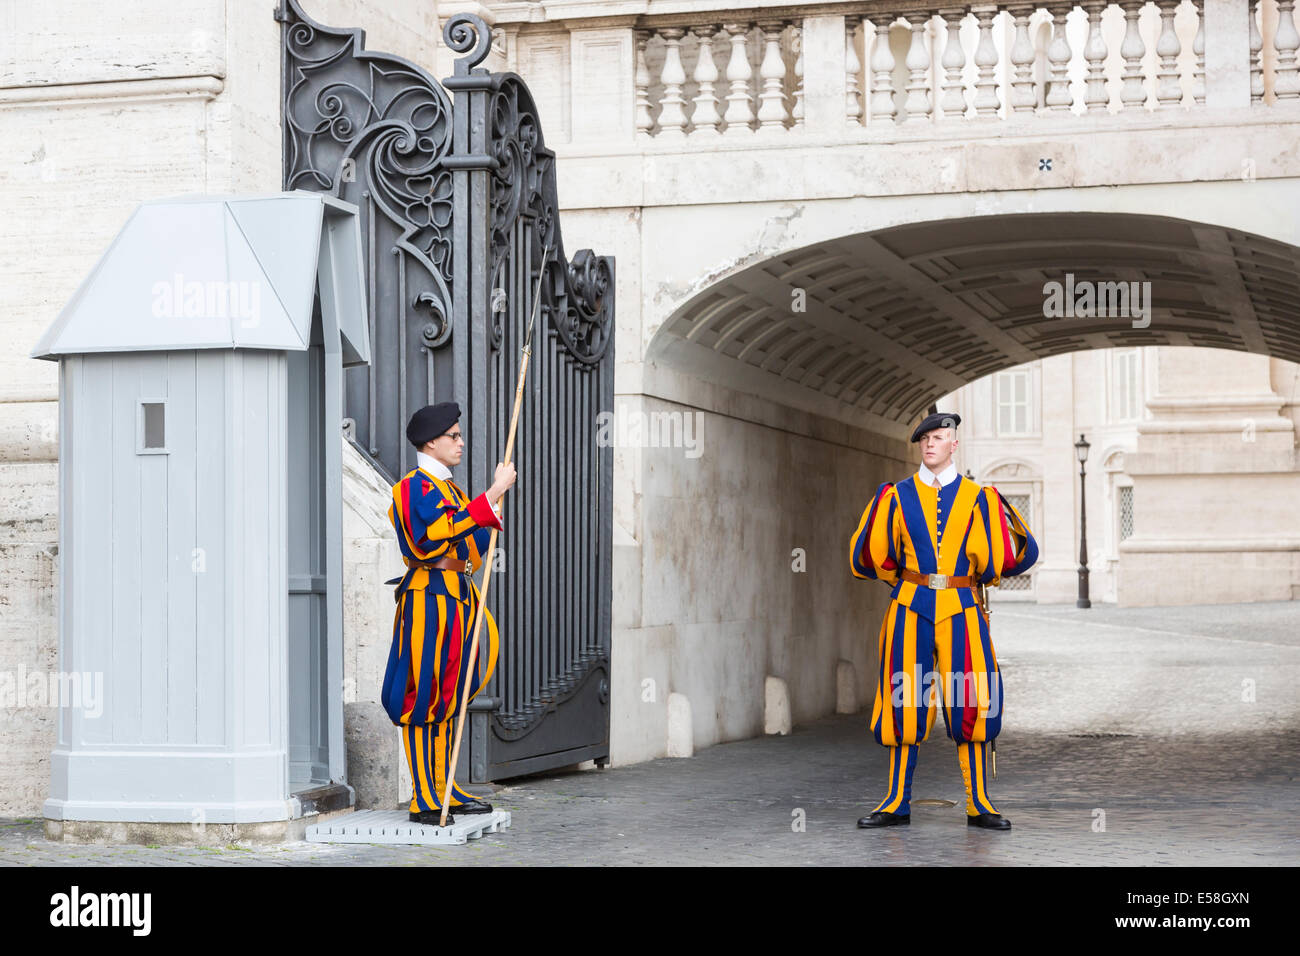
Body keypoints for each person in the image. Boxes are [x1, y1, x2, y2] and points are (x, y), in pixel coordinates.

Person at [848, 411, 1038, 831]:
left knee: (971, 699)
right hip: (910, 605)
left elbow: (1011, 556)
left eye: (939, 437)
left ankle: (980, 803)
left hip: (963, 606)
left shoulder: (979, 497)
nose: (931, 444)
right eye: (925, 439)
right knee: (904, 700)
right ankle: (896, 801)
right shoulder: (895, 496)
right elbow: (871, 557)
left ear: (954, 444)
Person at [381, 402, 516, 825]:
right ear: (431, 442)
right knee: (424, 693)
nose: (461, 442)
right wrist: (491, 494)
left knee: (451, 694)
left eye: (459, 435)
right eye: (454, 436)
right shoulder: (413, 487)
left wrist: (487, 514)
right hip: (429, 598)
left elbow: (468, 544)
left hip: (457, 594)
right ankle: (425, 796)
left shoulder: (451, 490)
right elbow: (433, 536)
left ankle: (444, 787)